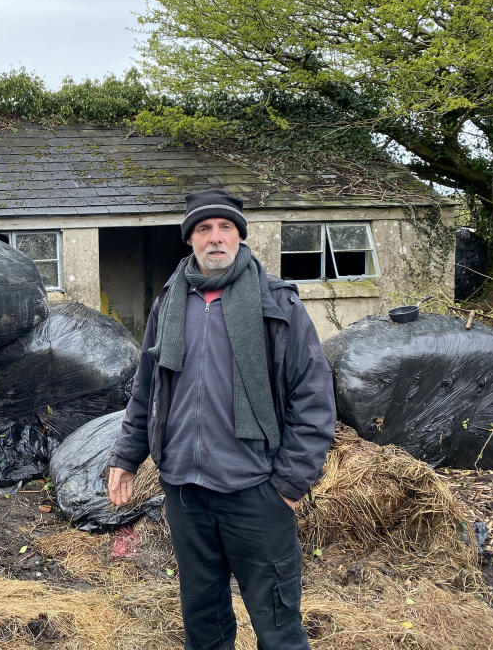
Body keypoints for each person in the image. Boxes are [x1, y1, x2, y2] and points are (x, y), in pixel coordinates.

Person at [108, 188, 335, 650]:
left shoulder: (278, 304)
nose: (215, 238)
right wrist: (127, 455)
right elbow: (147, 387)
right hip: (186, 493)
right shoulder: (169, 303)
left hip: (254, 491)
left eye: (225, 228)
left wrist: (289, 486)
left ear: (239, 236)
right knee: (204, 622)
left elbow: (313, 398)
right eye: (203, 229)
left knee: (278, 627)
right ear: (190, 239)